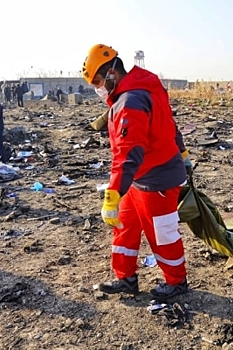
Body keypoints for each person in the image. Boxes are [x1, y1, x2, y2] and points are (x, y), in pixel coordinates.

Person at [81, 44, 189, 298]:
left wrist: (113, 193)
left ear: (111, 73)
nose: (97, 87)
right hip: (138, 179)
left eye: (98, 80)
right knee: (124, 226)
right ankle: (125, 277)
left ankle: (177, 281)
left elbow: (128, 154)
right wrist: (182, 151)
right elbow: (169, 122)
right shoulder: (144, 87)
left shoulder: (130, 100)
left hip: (157, 179)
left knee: (162, 234)